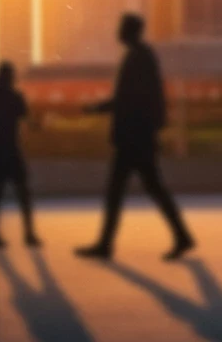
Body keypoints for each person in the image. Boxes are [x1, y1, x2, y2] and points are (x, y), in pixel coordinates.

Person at [75, 13, 194, 261]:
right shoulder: (141, 56)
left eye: (121, 27)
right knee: (146, 188)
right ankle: (181, 236)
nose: (118, 31)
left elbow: (127, 99)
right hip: (138, 137)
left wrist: (97, 108)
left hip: (134, 138)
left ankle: (107, 244)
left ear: (129, 31)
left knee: (125, 190)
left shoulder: (138, 58)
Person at [0, 61, 39, 247]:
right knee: (23, 193)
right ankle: (29, 234)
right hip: (13, 150)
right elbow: (28, 120)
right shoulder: (16, 97)